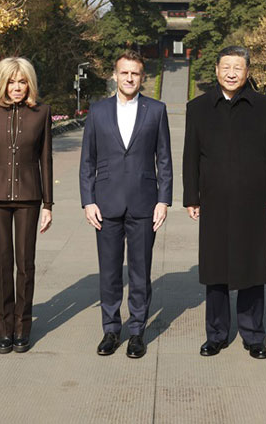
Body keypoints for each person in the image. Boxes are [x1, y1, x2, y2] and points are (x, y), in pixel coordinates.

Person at [183, 45, 266, 360]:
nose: (231, 73)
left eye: (237, 67)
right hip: (213, 200)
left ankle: (253, 334)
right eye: (226, 67)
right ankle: (216, 334)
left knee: (252, 267)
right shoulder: (198, 108)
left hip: (253, 201)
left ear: (247, 72)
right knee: (215, 270)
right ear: (216, 70)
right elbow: (191, 156)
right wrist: (191, 196)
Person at [79, 51, 172, 359]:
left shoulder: (156, 110)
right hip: (105, 203)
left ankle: (136, 332)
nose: (129, 78)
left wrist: (163, 200)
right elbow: (87, 160)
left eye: (135, 73)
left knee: (140, 272)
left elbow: (164, 159)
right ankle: (110, 329)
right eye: (124, 72)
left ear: (142, 77)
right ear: (115, 75)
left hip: (144, 203)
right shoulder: (98, 111)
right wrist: (88, 201)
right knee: (109, 272)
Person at [0, 56, 53, 354]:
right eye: (11, 82)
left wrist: (48, 204)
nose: (16, 87)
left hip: (29, 197)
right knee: (3, 264)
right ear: (2, 83)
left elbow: (45, 158)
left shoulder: (41, 112)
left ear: (29, 84)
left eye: (22, 81)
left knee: (26, 264)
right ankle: (4, 329)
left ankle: (23, 327)